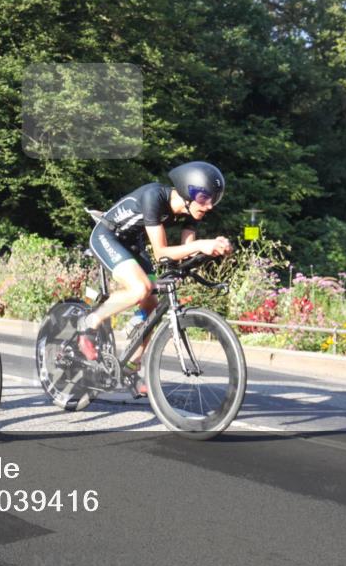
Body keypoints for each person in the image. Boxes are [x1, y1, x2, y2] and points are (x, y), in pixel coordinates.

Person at [79, 161, 233, 394]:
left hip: (133, 243)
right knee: (141, 288)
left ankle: (132, 366)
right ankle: (89, 324)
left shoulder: (192, 211)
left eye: (214, 199)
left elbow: (184, 254)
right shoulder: (155, 197)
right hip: (108, 236)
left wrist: (214, 249)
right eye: (204, 198)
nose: (209, 206)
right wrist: (204, 244)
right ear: (186, 192)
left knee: (152, 303)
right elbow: (161, 252)